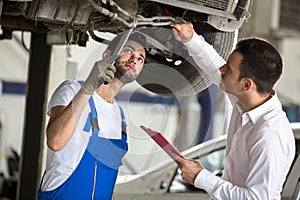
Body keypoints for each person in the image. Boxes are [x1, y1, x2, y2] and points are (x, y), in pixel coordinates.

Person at [172, 23, 296, 199]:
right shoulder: (244, 100)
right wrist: (191, 39)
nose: (222, 69)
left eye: (228, 69)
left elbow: (256, 198)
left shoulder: (270, 134)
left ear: (246, 85)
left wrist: (201, 177)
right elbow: (214, 67)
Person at [38, 31, 146, 200]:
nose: (134, 59)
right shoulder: (72, 90)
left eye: (141, 58)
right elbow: (55, 141)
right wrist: (88, 88)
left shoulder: (120, 115)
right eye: (128, 50)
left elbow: (106, 177)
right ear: (107, 55)